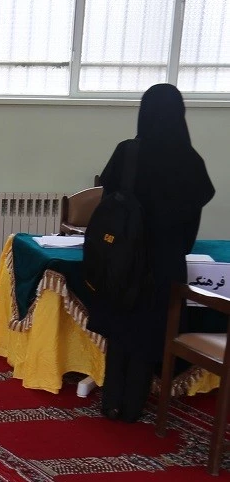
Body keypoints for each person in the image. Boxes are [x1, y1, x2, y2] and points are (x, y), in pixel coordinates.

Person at [89, 83, 215, 423]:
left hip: (123, 259)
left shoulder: (128, 152)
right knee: (148, 333)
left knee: (121, 328)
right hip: (164, 262)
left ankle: (111, 401)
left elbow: (108, 203)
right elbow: (191, 219)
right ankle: (133, 405)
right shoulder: (189, 161)